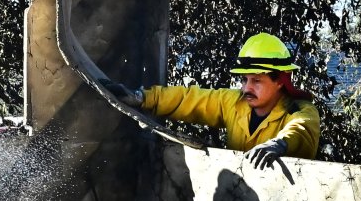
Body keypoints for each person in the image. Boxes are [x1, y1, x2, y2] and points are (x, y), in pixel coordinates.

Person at [104, 33, 319, 169]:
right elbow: (190, 99)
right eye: (244, 80)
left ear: (280, 81)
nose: (246, 88)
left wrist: (280, 144)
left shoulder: (300, 110)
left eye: (256, 80)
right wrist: (142, 98)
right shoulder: (234, 103)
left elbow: (301, 130)